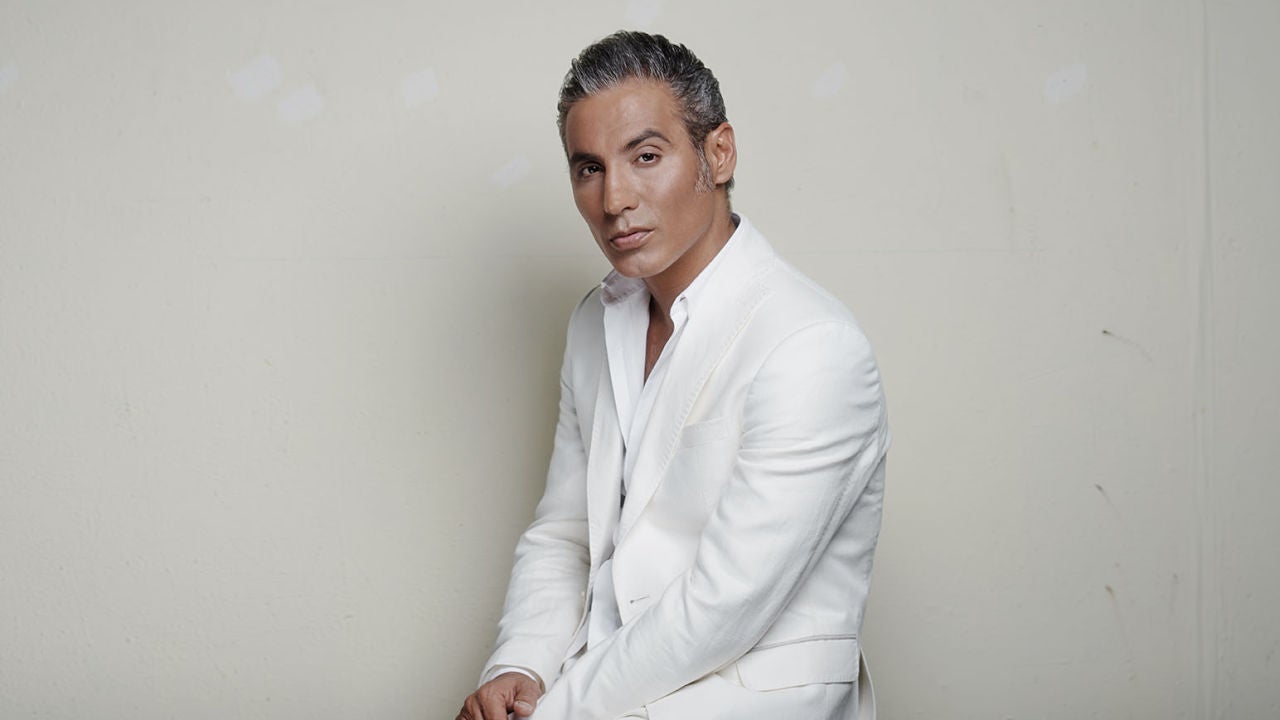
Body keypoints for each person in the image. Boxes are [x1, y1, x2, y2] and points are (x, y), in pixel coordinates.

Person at [456, 30, 889, 720]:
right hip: (594, 693)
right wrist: (521, 665)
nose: (614, 199)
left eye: (646, 156)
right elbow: (566, 534)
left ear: (718, 153)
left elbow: (725, 603)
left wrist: (559, 711)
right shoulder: (594, 324)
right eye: (589, 168)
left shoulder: (811, 346)